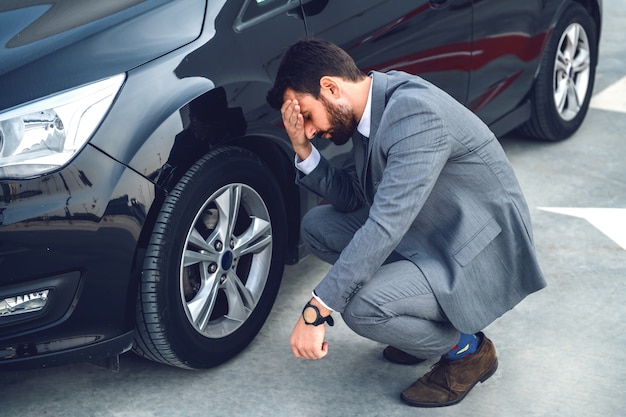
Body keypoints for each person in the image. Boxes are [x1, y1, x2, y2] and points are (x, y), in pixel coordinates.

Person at [266, 38, 546, 407]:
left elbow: (384, 226)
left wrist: (316, 310)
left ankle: (469, 351)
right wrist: (303, 147)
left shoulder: (413, 113)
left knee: (362, 307)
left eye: (307, 115)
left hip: (472, 251)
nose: (310, 128)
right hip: (429, 231)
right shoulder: (371, 107)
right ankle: (415, 322)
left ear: (331, 87)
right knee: (319, 226)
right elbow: (354, 197)